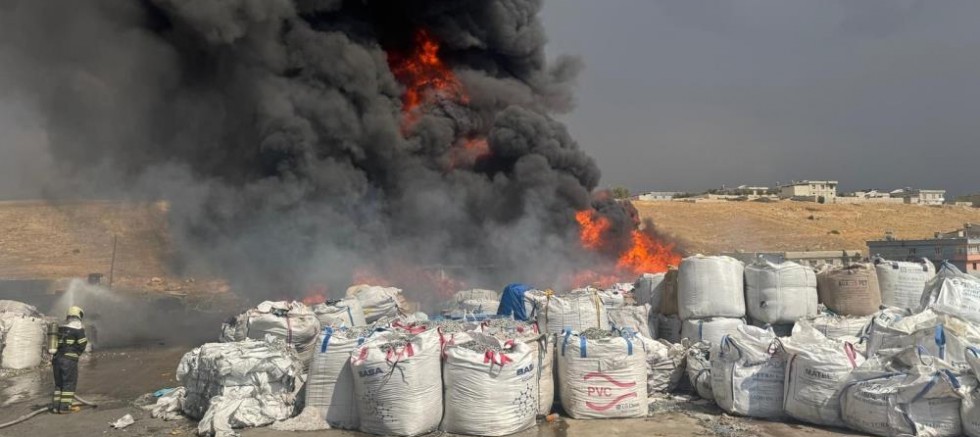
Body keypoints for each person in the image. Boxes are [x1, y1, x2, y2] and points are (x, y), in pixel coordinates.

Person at [51, 306, 87, 414]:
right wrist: (77, 353)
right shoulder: (78, 329)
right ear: (79, 316)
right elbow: (83, 343)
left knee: (59, 384)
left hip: (56, 359)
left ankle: (56, 406)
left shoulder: (60, 328)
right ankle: (65, 407)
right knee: (69, 383)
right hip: (68, 360)